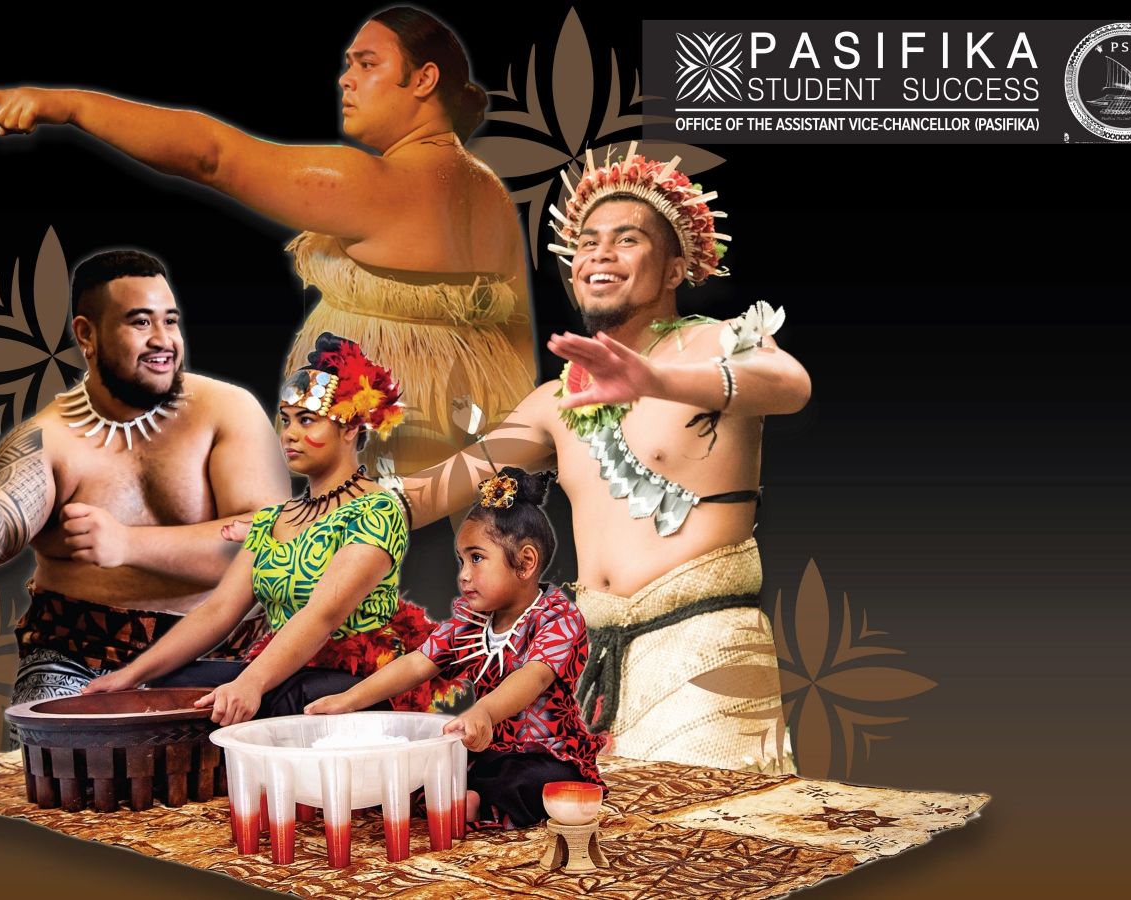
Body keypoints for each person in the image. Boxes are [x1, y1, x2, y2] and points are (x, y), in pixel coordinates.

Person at [0, 6, 534, 475]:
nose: (346, 79)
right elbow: (523, 347)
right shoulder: (493, 197)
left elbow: (213, 157)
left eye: (367, 64)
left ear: (424, 79)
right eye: (348, 64)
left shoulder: (372, 184)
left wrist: (71, 105)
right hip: (482, 458)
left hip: (388, 460)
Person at [394, 148, 812, 771]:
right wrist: (307, 509)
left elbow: (790, 385)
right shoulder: (555, 400)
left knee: (705, 844)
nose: (600, 254)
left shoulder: (717, 341)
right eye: (587, 242)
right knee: (590, 852)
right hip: (586, 658)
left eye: (627, 239)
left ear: (674, 269)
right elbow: (430, 493)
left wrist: (657, 380)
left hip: (702, 642)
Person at [0, 249, 288, 708]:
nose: (163, 340)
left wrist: (127, 545)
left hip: (229, 655)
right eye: (140, 322)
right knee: (58, 753)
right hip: (79, 657)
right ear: (86, 334)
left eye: (169, 321)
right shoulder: (48, 439)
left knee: (261, 763)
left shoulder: (226, 410)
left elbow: (269, 545)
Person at [83, 334, 457, 724]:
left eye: (307, 420)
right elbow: (219, 611)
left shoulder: (377, 510)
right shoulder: (273, 520)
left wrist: (251, 683)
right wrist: (131, 675)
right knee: (174, 685)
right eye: (286, 420)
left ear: (349, 429)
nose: (290, 434)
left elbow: (323, 615)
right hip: (285, 671)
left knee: (282, 698)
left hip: (352, 680)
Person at [307, 467, 604, 830]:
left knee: (532, 782)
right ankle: (461, 797)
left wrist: (484, 712)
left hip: (548, 754)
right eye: (461, 560)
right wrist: (349, 699)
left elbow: (532, 677)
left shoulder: (558, 618)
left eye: (476, 558)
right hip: (487, 749)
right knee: (434, 767)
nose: (463, 574)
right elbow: (418, 664)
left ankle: (476, 804)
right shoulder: (471, 624)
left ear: (525, 562)